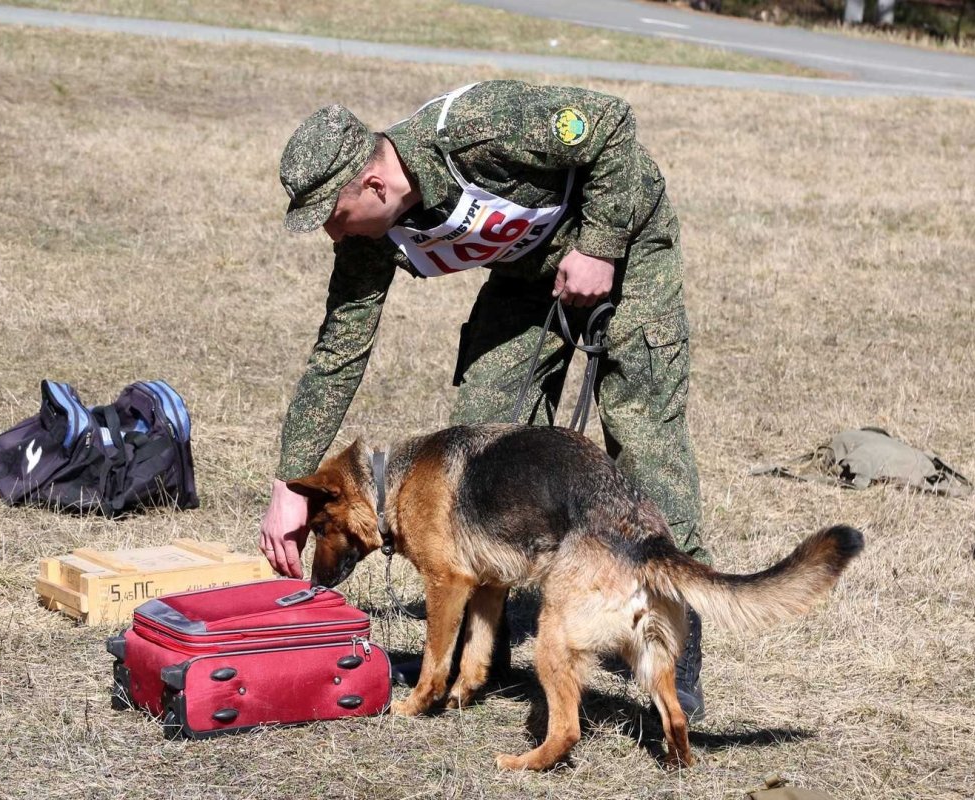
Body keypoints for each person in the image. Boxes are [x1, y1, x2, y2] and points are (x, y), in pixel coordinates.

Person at [260, 79, 709, 719]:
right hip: (528, 274)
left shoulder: (478, 126)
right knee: (485, 419)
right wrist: (289, 483)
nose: (333, 235)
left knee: (642, 435)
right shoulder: (369, 237)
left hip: (623, 237)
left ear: (374, 187)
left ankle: (676, 644)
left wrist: (600, 245)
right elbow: (339, 351)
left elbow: (610, 124)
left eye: (332, 215)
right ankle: (483, 650)